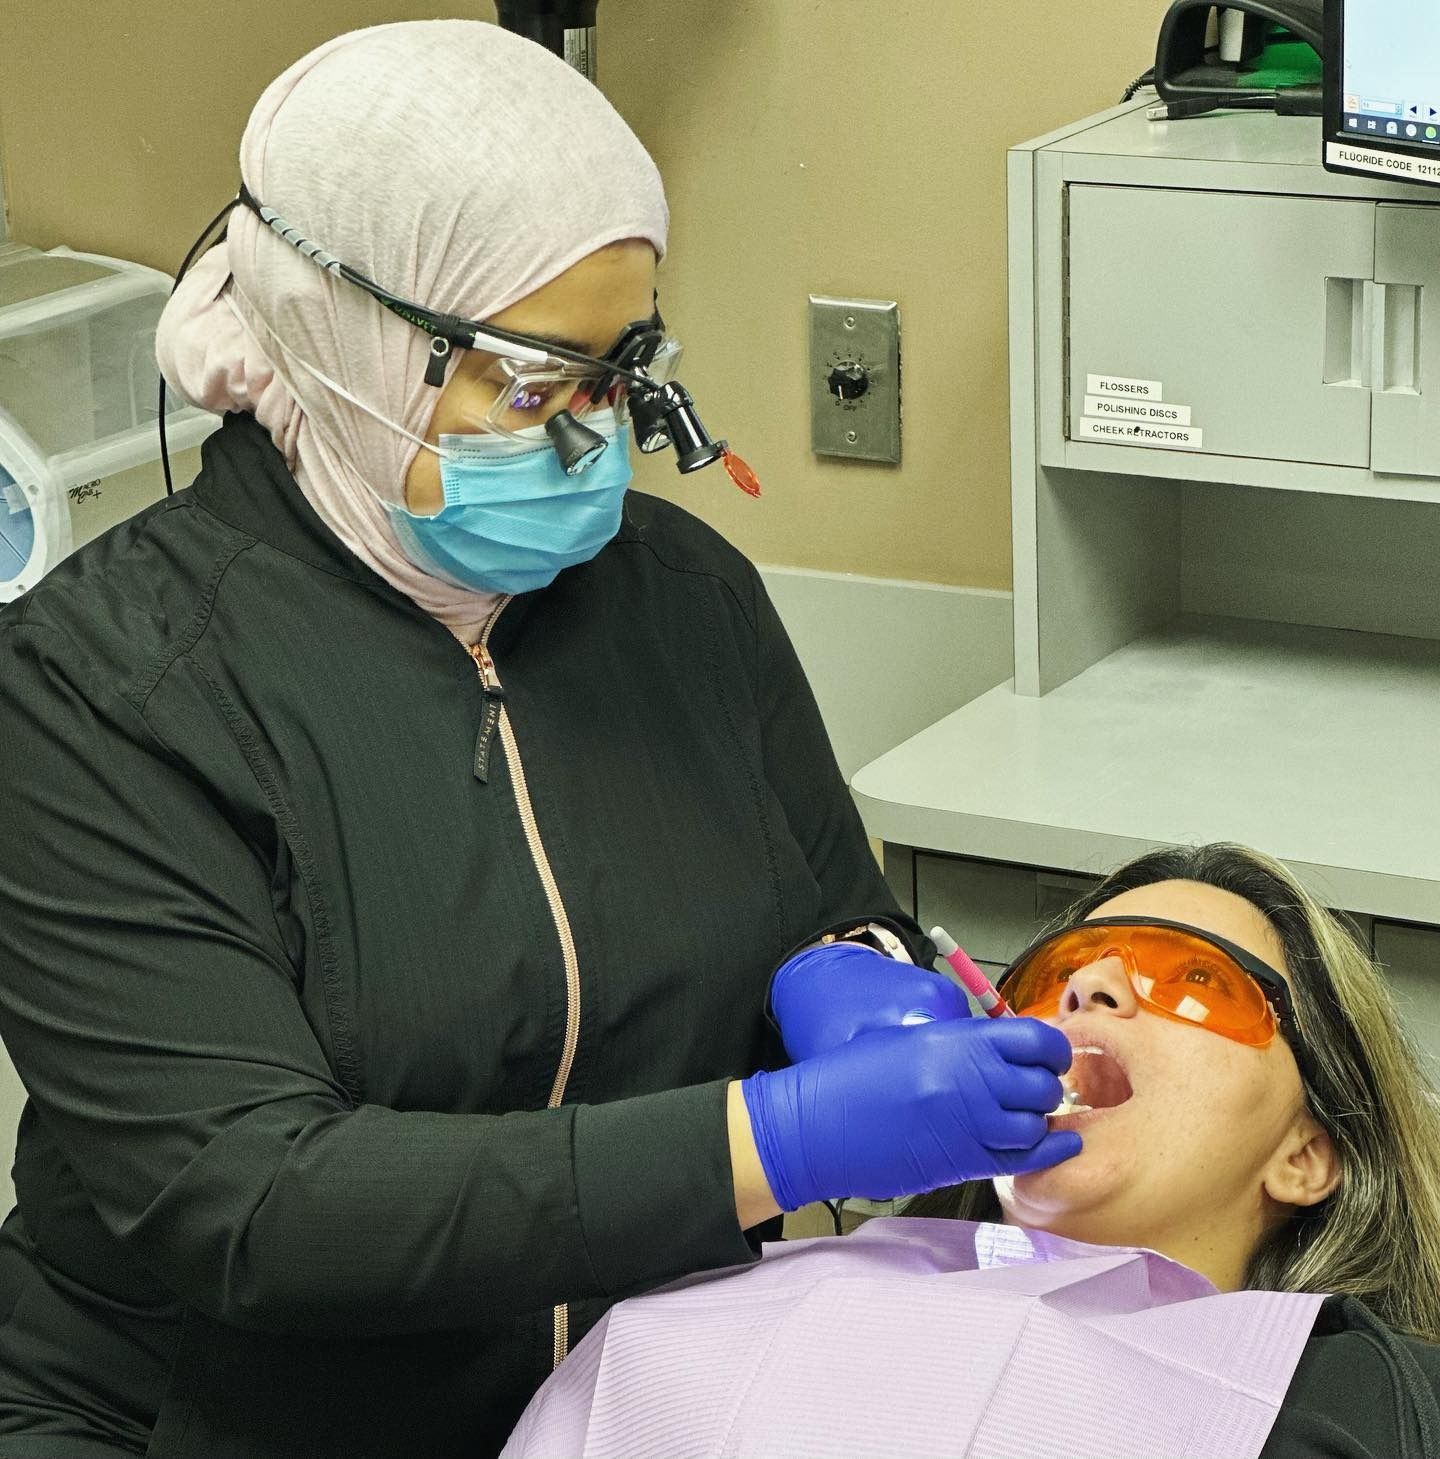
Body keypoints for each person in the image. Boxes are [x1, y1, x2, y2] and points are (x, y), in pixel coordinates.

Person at [0, 22, 1080, 1458]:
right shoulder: (101, 689)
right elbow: (256, 1204)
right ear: (341, 336)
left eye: (618, 370)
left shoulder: (686, 600)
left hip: (624, 1409)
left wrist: (858, 979)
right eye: (529, 382)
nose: (587, 437)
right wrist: (771, 1140)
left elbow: (827, 904)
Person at [503, 843, 1440, 1459]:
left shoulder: (1362, 1403)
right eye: (1056, 972)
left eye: (1195, 977)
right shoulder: (699, 1310)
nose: (1092, 986)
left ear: (1306, 1155)